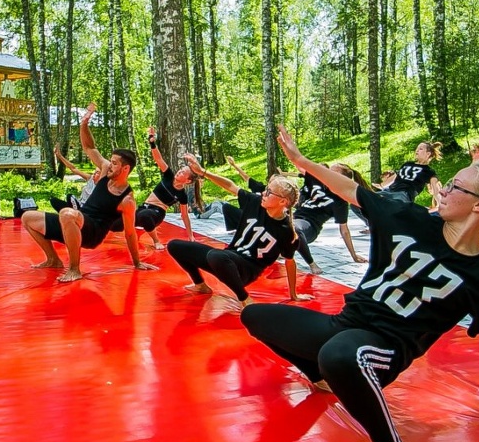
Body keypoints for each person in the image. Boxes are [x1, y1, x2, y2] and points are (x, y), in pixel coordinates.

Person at [241, 125, 479, 442]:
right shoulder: (408, 217)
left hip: (383, 349)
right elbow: (352, 190)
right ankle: (320, 376)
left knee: (341, 354)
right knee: (255, 317)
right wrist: (302, 163)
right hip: (346, 325)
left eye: (455, 186)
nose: (444, 190)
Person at [20, 102, 156, 283]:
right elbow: (89, 148)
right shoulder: (106, 171)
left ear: (125, 169)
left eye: (115, 163)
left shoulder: (127, 199)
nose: (109, 164)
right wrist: (84, 123)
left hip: (93, 233)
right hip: (78, 221)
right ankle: (53, 259)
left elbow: (130, 233)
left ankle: (74, 269)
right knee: (27, 217)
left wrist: (137, 262)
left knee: (66, 213)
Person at [170, 154, 307, 312]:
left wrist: (294, 294)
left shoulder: (287, 231)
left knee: (216, 256)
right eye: (266, 190)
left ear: (283, 202)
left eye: (269, 192)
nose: (264, 193)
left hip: (245, 270)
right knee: (176, 246)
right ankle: (200, 285)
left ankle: (244, 298)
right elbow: (230, 186)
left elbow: (290, 261)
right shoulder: (255, 203)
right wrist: (202, 172)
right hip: (227, 260)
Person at [131, 126, 195, 250]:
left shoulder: (182, 195)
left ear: (187, 181)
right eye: (180, 170)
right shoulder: (168, 175)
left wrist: (190, 236)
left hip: (157, 213)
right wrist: (152, 142)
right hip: (143, 207)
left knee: (145, 216)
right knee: (117, 220)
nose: (179, 172)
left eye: (183, 173)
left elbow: (184, 216)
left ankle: (156, 241)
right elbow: (158, 159)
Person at [378, 141, 441, 206]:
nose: (417, 150)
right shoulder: (407, 164)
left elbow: (436, 190)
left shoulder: (428, 171)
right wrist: (381, 186)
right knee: (370, 198)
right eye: (417, 148)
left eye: (420, 149)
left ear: (428, 154)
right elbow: (395, 177)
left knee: (394, 205)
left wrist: (440, 204)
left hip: (404, 194)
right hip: (389, 191)